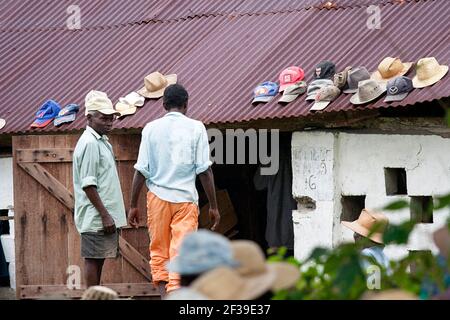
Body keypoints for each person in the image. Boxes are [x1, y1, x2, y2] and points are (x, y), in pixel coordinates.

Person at [128, 84, 220, 297]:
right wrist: (214, 206)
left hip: (157, 199)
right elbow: (204, 172)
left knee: (158, 252)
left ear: (163, 104)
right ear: (186, 104)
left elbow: (140, 170)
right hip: (185, 200)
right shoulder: (196, 127)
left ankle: (165, 296)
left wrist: (133, 205)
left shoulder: (150, 128)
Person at [72, 90, 126, 287]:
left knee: (99, 259)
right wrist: (104, 214)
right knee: (93, 259)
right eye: (103, 118)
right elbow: (88, 184)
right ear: (89, 117)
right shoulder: (89, 143)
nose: (109, 122)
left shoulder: (101, 141)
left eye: (111, 118)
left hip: (102, 216)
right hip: (96, 217)